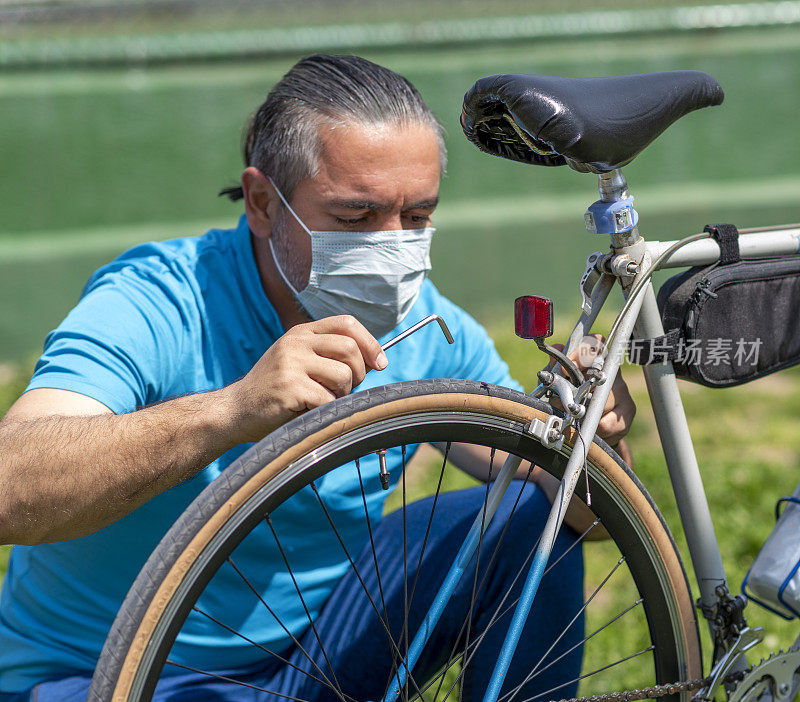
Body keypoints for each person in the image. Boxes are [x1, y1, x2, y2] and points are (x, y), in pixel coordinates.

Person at [0, 54, 635, 701]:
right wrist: (230, 410)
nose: (392, 248)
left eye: (416, 218)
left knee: (530, 511)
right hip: (102, 676)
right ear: (262, 202)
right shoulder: (159, 300)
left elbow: (583, 514)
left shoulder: (431, 328)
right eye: (356, 218)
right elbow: (7, 487)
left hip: (311, 662)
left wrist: (593, 437)